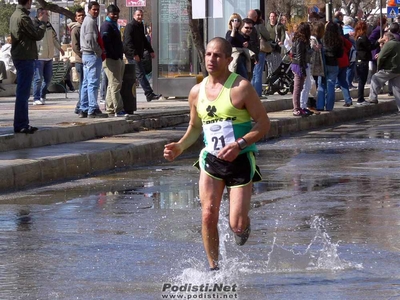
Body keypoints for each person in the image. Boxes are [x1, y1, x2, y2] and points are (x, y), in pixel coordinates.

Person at [163, 37, 270, 271]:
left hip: (240, 160)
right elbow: (194, 127)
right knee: (207, 215)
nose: (212, 59)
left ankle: (243, 226)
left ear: (228, 60)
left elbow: (263, 124)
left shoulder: (240, 87)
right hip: (211, 160)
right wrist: (180, 146)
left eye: (217, 55)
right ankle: (214, 268)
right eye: (209, 54)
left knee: (237, 225)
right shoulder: (196, 92)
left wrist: (240, 144)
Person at [10, 0, 47, 134]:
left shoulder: (16, 14)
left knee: (23, 92)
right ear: (29, 2)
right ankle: (21, 124)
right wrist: (42, 22)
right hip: (24, 57)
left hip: (21, 56)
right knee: (23, 93)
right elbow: (36, 35)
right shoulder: (22, 17)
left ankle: (22, 123)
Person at [123, 9, 161, 102]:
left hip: (138, 54)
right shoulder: (130, 26)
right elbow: (128, 42)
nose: (140, 17)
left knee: (140, 74)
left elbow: (144, 40)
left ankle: (148, 94)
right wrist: (134, 54)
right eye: (138, 15)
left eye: (141, 15)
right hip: (132, 55)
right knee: (140, 74)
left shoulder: (140, 26)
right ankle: (149, 93)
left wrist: (151, 50)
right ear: (134, 16)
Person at [79, 1, 108, 118]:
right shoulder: (90, 22)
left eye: (97, 9)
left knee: (86, 83)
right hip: (91, 55)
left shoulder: (87, 20)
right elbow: (91, 40)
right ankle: (92, 109)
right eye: (94, 9)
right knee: (93, 83)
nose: (96, 11)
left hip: (86, 55)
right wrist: (99, 51)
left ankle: (84, 108)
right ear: (89, 10)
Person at [32, 8, 65, 105]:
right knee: (38, 79)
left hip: (49, 56)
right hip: (39, 56)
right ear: (41, 15)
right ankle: (36, 98)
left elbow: (54, 38)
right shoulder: (34, 25)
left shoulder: (49, 25)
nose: (48, 16)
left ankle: (42, 96)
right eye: (46, 14)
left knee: (48, 79)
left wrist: (59, 48)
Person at [100, 5, 127, 117]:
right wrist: (114, 55)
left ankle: (110, 108)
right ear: (108, 13)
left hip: (116, 58)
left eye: (116, 13)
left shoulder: (113, 24)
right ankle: (118, 108)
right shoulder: (107, 26)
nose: (115, 15)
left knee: (112, 85)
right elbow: (106, 43)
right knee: (116, 84)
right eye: (113, 13)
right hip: (111, 59)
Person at [368, 32, 400, 109]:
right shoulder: (398, 43)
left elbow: (381, 57)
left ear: (387, 38)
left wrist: (379, 68)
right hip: (398, 70)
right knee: (397, 91)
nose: (383, 42)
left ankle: (373, 98)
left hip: (389, 69)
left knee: (375, 78)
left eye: (384, 40)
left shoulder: (389, 44)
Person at [317, 22, 343, 111]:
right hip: (334, 64)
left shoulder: (323, 38)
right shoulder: (339, 39)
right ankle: (329, 106)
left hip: (324, 64)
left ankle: (320, 105)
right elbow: (340, 54)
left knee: (321, 85)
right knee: (331, 85)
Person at [291, 22, 312, 116]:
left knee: (299, 88)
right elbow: (299, 55)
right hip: (298, 65)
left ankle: (299, 107)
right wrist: (302, 68)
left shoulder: (301, 40)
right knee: (297, 88)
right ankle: (296, 108)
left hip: (300, 65)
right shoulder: (300, 41)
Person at [250, 9, 270, 97]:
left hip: (250, 51)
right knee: (258, 73)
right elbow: (267, 36)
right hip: (260, 51)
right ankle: (258, 94)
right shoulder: (259, 26)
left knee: (253, 73)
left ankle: (251, 92)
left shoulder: (247, 25)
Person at [354, 20, 375, 105]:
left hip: (358, 61)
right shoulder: (363, 38)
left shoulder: (357, 37)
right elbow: (370, 47)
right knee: (362, 81)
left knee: (361, 81)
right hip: (363, 61)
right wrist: (378, 42)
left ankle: (361, 98)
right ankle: (360, 99)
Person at [69, 7, 85, 114]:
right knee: (83, 84)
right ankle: (79, 106)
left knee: (85, 84)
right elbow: (75, 47)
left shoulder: (85, 27)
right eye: (79, 16)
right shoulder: (76, 29)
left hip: (86, 60)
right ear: (76, 17)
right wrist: (83, 56)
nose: (81, 17)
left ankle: (81, 105)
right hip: (80, 61)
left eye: (83, 15)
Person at [225, 13, 248, 79]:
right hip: (235, 57)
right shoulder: (229, 32)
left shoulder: (240, 34)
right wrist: (233, 29)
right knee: (243, 77)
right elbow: (229, 42)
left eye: (238, 20)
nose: (236, 22)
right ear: (230, 22)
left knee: (243, 77)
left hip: (242, 56)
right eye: (234, 20)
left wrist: (245, 44)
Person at [265, 12, 285, 76]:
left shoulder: (280, 26)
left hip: (276, 46)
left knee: (276, 61)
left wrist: (281, 41)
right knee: (269, 62)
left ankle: (276, 75)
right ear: (269, 17)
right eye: (271, 16)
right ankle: (269, 76)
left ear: (276, 17)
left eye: (274, 16)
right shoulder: (266, 25)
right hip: (268, 46)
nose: (272, 18)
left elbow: (283, 34)